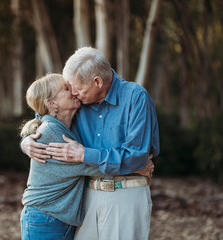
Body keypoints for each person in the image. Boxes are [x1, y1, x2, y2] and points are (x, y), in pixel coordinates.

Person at [21, 47, 159, 240]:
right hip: (87, 198)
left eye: (76, 88)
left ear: (97, 82)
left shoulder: (135, 97)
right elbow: (46, 115)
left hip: (124, 194)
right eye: (68, 88)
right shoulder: (80, 103)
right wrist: (26, 141)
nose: (74, 93)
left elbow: (136, 155)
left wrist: (84, 154)